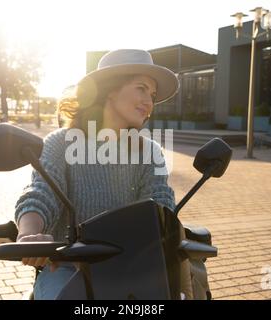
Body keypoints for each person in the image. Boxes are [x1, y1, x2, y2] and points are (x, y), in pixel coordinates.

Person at [14, 49, 193, 300]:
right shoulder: (61, 143)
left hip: (132, 269)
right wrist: (29, 234)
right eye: (141, 88)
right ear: (110, 89)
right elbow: (40, 195)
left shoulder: (149, 150)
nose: (149, 101)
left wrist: (168, 226)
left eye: (152, 94)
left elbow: (160, 207)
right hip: (66, 267)